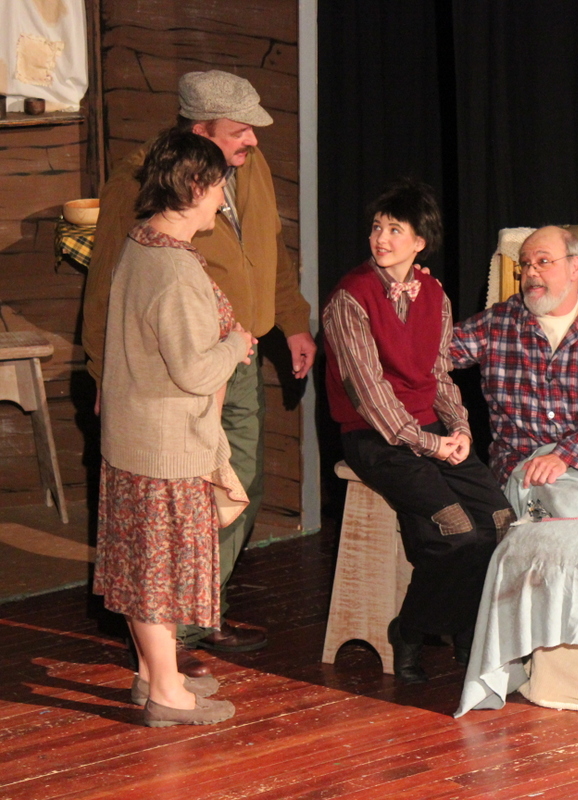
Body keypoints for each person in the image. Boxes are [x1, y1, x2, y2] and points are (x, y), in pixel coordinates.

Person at [82, 70, 315, 664]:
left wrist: (291, 319)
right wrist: (102, 371)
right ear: (198, 131)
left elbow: (269, 249)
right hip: (175, 371)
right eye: (239, 131)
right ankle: (171, 636)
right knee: (179, 503)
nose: (253, 141)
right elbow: (107, 281)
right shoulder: (138, 180)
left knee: (238, 486)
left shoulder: (250, 167)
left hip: (239, 355)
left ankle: (198, 610)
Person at [93, 129, 255, 726]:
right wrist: (236, 344)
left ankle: (150, 674)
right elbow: (194, 370)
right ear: (193, 186)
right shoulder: (174, 269)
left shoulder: (142, 243)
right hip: (165, 449)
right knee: (156, 574)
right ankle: (166, 692)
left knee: (141, 565)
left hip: (135, 439)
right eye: (218, 188)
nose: (223, 199)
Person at [323, 180, 514, 684]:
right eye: (376, 228)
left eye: (394, 230)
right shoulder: (350, 299)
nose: (380, 238)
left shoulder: (434, 295)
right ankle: (409, 629)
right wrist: (431, 444)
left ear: (419, 242)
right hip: (373, 434)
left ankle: (465, 626)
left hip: (429, 428)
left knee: (499, 520)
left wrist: (461, 429)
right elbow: (369, 395)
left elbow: (438, 375)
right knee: (454, 530)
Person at [451, 226, 578, 487]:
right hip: (522, 467)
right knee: (557, 503)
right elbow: (430, 354)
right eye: (525, 264)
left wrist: (564, 456)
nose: (531, 272)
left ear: (574, 267)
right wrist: (417, 301)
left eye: (543, 261)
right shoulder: (498, 322)